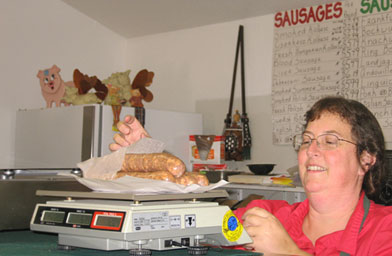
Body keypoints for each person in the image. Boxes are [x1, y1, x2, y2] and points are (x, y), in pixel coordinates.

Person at [110, 96, 392, 255]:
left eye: (330, 141)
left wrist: (289, 253)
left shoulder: (385, 231)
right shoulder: (266, 216)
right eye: (307, 140)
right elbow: (188, 230)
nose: (312, 150)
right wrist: (150, 167)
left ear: (366, 158)